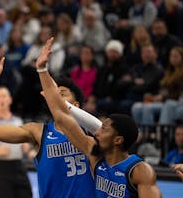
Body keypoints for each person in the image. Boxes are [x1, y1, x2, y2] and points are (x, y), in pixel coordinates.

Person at [36, 37, 162, 198]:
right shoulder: (95, 157)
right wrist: (42, 70)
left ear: (118, 140)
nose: (96, 132)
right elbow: (62, 118)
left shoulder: (139, 170)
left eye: (104, 129)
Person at [0, 49, 95, 197]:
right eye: (55, 95)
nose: (57, 98)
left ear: (76, 105)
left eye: (62, 94)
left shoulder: (91, 132)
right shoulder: (39, 132)